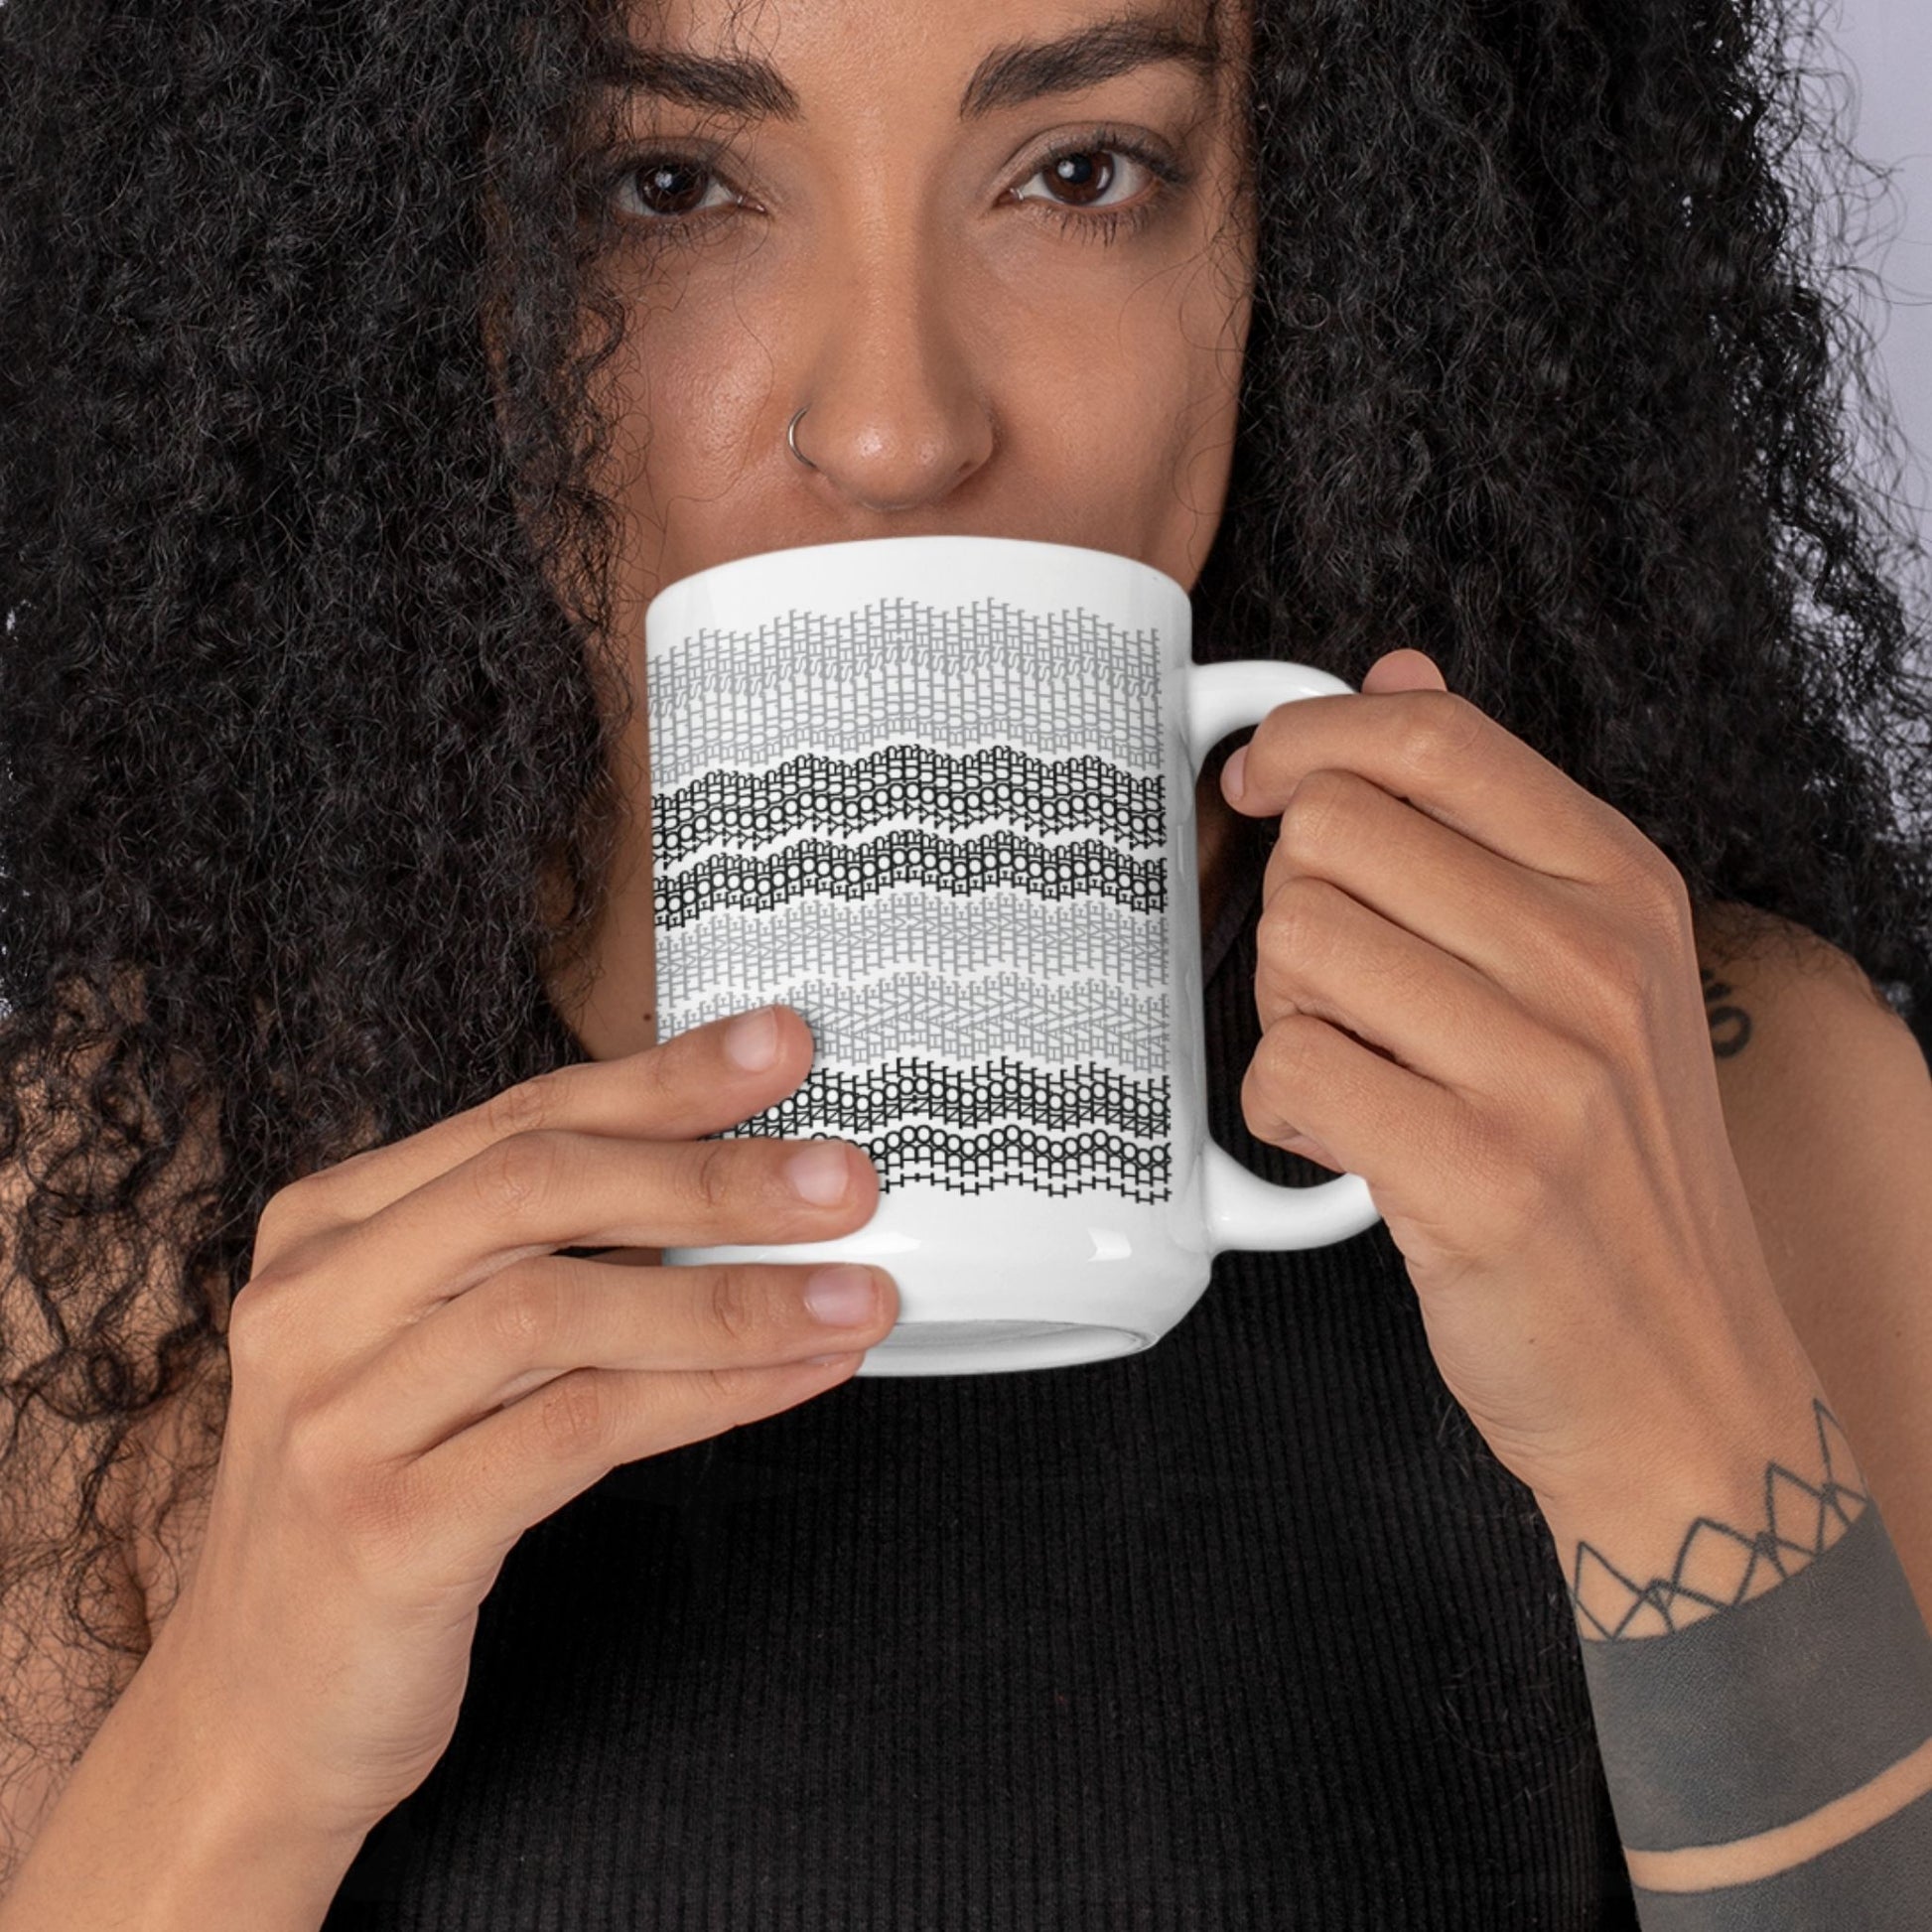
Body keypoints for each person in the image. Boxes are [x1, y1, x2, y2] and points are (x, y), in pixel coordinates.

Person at [2, 0, 1931, 1923]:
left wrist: (1697, 1460)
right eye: (666, 186)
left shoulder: (1720, 1099)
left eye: (1081, 172)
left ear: (1309, 227)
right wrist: (239, 1752)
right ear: (442, 258)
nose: (896, 427)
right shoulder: (129, 1201)